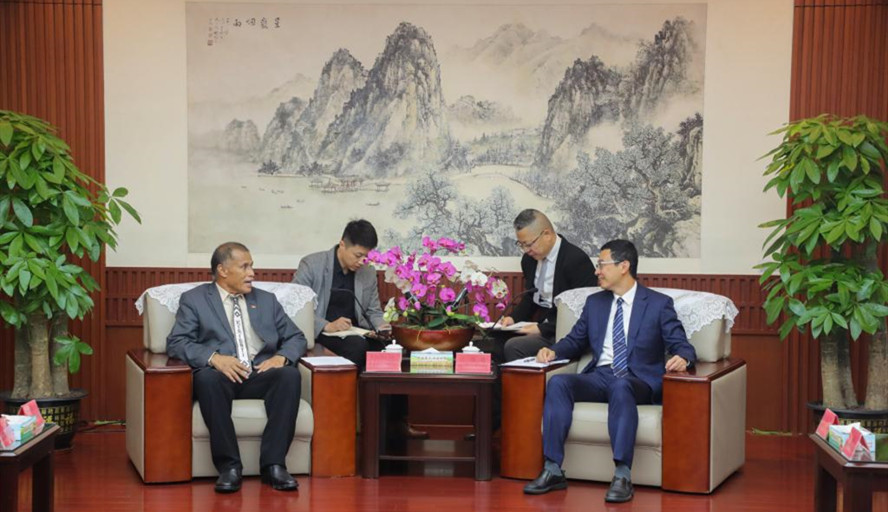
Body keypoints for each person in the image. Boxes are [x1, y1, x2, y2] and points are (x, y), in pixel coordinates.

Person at [523, 239, 696, 503]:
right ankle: (553, 468)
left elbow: (681, 344)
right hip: (600, 376)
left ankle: (623, 475)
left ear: (623, 266)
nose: (597, 271)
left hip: (637, 379)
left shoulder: (658, 304)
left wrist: (683, 357)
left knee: (620, 385)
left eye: (602, 265)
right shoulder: (595, 303)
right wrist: (554, 351)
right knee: (559, 383)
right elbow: (576, 340)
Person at [167, 242, 306, 494]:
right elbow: (176, 342)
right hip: (221, 376)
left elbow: (296, 337)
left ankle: (274, 465)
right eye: (244, 267)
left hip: (259, 372)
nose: (252, 273)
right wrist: (214, 358)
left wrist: (281, 357)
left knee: (289, 375)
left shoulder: (266, 300)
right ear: (222, 270)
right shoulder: (195, 300)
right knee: (207, 380)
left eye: (252, 266)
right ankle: (229, 466)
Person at [501, 209, 597, 361]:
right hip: (543, 326)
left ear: (546, 234)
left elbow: (583, 313)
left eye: (529, 244)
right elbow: (531, 297)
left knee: (513, 346)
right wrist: (513, 319)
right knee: (494, 340)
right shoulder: (529, 260)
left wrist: (542, 329)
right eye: (521, 244)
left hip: (566, 334)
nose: (526, 250)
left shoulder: (575, 260)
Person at [292, 219, 387, 369]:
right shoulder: (311, 265)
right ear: (342, 244)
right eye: (358, 255)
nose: (362, 261)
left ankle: (374, 386)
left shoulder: (368, 272)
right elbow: (296, 309)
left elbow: (373, 311)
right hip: (323, 332)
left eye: (366, 257)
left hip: (356, 331)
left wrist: (382, 327)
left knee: (389, 346)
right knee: (356, 346)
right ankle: (350, 386)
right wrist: (327, 325)